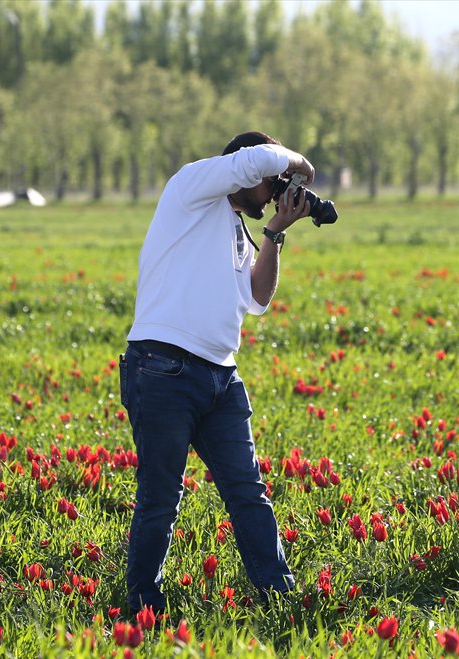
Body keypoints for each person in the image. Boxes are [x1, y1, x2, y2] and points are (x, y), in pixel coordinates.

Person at [120, 131, 317, 615]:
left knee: (249, 491)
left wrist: (274, 233)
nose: (275, 189)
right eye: (272, 182)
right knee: (162, 497)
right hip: (163, 366)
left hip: (220, 377)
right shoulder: (192, 186)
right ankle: (143, 606)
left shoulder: (235, 225)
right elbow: (264, 158)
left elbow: (257, 298)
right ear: (243, 170)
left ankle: (279, 595)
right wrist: (300, 165)